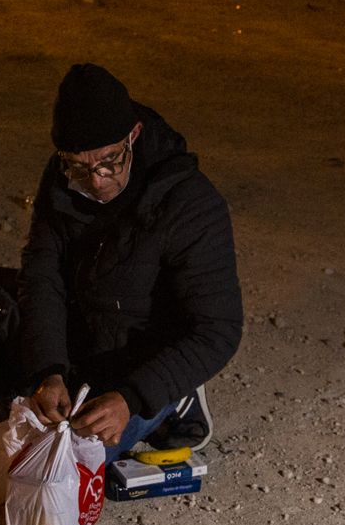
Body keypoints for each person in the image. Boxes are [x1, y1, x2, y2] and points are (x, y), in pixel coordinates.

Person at [18, 64, 242, 460]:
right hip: (82, 335)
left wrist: (132, 396)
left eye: (110, 162)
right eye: (80, 167)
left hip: (141, 359)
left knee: (66, 465)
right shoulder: (63, 177)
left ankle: (178, 400)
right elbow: (43, 274)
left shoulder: (190, 203)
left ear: (133, 135)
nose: (97, 180)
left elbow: (217, 329)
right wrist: (48, 369)